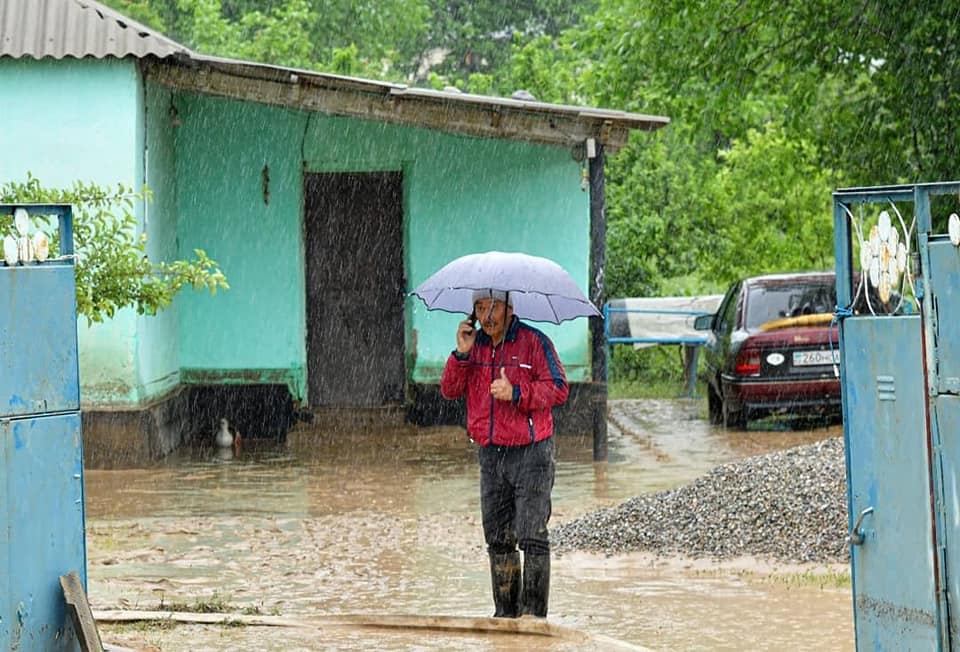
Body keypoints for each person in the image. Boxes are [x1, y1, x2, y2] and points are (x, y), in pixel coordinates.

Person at [440, 288, 569, 619]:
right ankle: (505, 618)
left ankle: (534, 618)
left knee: (532, 536)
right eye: (479, 308)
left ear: (509, 308)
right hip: (490, 455)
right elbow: (450, 389)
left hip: (532, 453)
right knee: (498, 539)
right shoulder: (475, 346)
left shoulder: (534, 342)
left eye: (492, 307)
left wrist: (517, 392)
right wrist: (461, 353)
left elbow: (558, 387)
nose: (486, 316)